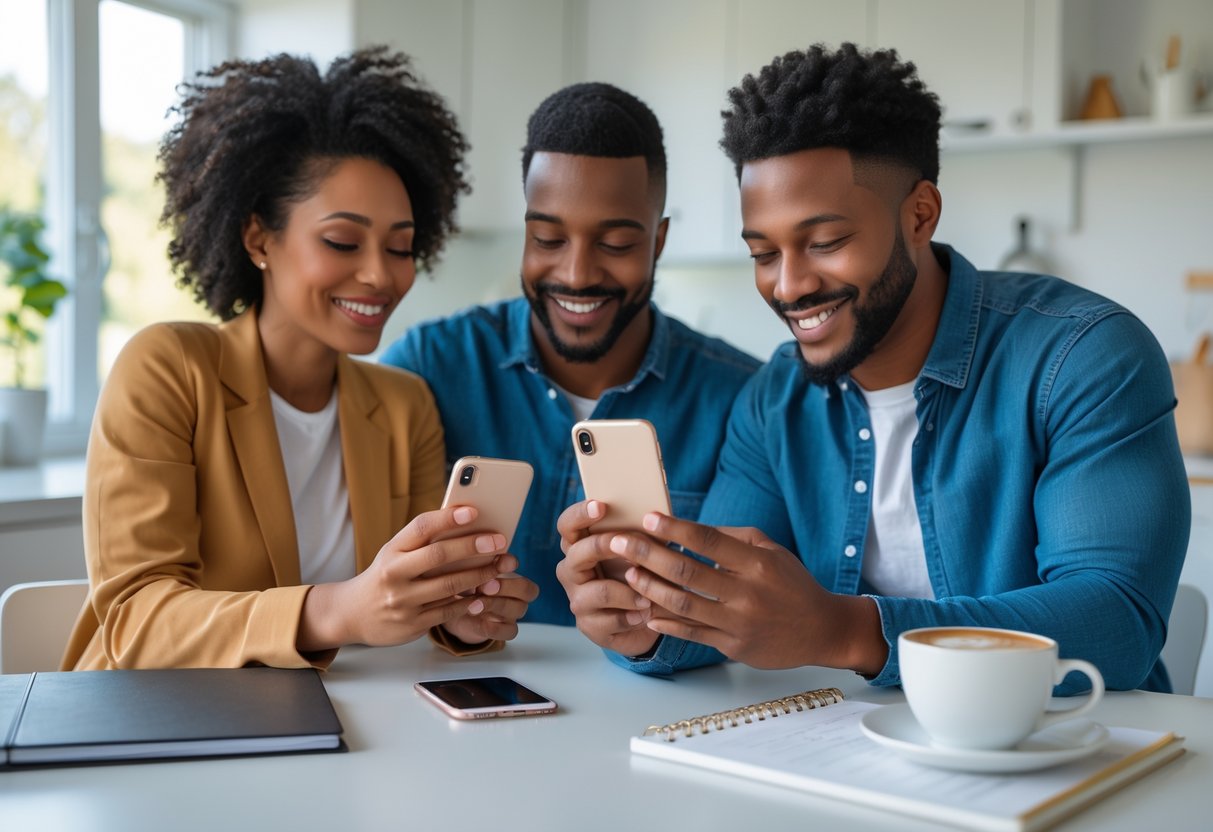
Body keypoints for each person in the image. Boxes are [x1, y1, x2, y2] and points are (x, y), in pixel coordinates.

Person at [557, 43, 1189, 692]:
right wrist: (647, 624)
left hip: (1081, 756)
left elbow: (1116, 622)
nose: (789, 285)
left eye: (824, 242)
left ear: (918, 214)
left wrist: (843, 631)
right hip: (862, 758)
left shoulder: (1083, 357)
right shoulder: (773, 400)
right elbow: (733, 607)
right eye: (763, 253)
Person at [63, 47, 538, 670]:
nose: (380, 275)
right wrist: (340, 609)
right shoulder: (167, 369)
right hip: (160, 730)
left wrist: (465, 616)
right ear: (259, 237)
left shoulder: (403, 406)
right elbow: (134, 620)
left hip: (332, 729)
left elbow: (413, 604)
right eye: (343, 241)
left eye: (401, 248)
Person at [380, 83, 761, 626]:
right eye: (549, 239)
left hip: (659, 707)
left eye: (616, 244)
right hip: (460, 693)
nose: (577, 275)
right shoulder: (426, 366)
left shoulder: (741, 398)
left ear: (658, 241)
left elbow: (735, 617)